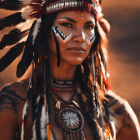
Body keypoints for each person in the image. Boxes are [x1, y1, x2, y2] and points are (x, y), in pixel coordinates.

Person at [0, 0, 139, 140]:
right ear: (43, 29)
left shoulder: (117, 111)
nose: (81, 38)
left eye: (88, 26)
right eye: (67, 24)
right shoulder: (13, 103)